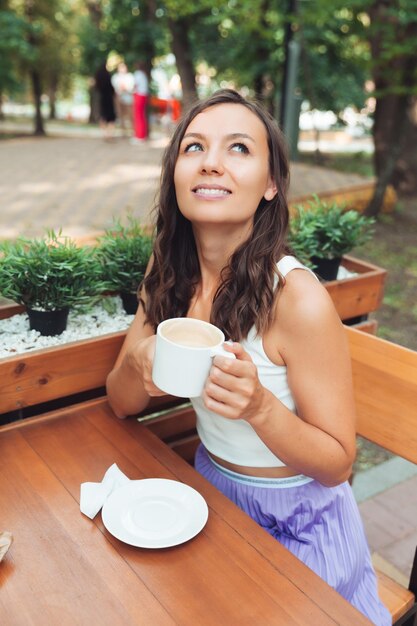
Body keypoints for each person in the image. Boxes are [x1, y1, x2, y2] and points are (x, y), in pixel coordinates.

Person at [106, 89, 391, 625]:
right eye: (194, 147)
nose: (211, 161)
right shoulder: (167, 272)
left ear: (270, 184)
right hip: (208, 494)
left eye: (238, 148)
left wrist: (259, 406)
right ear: (175, 174)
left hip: (302, 518)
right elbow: (119, 404)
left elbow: (337, 464)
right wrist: (138, 365)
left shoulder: (297, 299)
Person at [94, 62, 117, 141]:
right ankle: (110, 134)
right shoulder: (108, 75)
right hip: (108, 97)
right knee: (111, 117)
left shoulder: (98, 75)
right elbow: (111, 87)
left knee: (102, 116)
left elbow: (96, 87)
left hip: (102, 97)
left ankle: (104, 134)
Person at [111, 62, 134, 135]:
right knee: (120, 115)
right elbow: (114, 88)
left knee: (130, 115)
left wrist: (125, 88)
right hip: (118, 98)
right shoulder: (115, 77)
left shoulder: (129, 77)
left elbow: (131, 87)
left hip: (128, 99)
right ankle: (123, 132)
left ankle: (132, 131)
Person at [131, 61, 149, 142]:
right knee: (141, 115)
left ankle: (139, 136)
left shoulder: (137, 74)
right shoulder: (144, 74)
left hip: (139, 95)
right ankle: (142, 135)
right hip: (144, 96)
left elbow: (135, 85)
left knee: (138, 116)